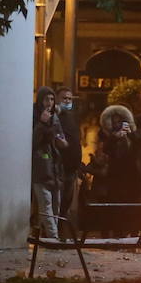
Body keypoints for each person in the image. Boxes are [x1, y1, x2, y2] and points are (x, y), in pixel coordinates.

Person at [31, 86, 66, 239]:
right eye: (47, 99)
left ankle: (50, 235)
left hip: (55, 167)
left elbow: (61, 138)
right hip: (41, 166)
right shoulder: (34, 115)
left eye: (52, 99)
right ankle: (54, 237)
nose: (49, 102)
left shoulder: (55, 118)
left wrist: (62, 142)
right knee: (46, 204)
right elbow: (32, 141)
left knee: (56, 205)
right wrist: (41, 123)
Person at [94, 104, 141, 204]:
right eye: (114, 122)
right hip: (113, 176)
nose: (117, 125)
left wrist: (131, 133)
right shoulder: (105, 134)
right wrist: (115, 137)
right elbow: (105, 150)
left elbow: (140, 147)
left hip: (132, 176)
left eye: (120, 121)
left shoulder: (132, 133)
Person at [55, 87, 82, 225]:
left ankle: (61, 226)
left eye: (69, 98)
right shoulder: (55, 117)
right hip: (59, 166)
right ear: (57, 99)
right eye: (64, 98)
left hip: (72, 167)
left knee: (67, 199)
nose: (67, 101)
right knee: (57, 200)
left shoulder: (72, 117)